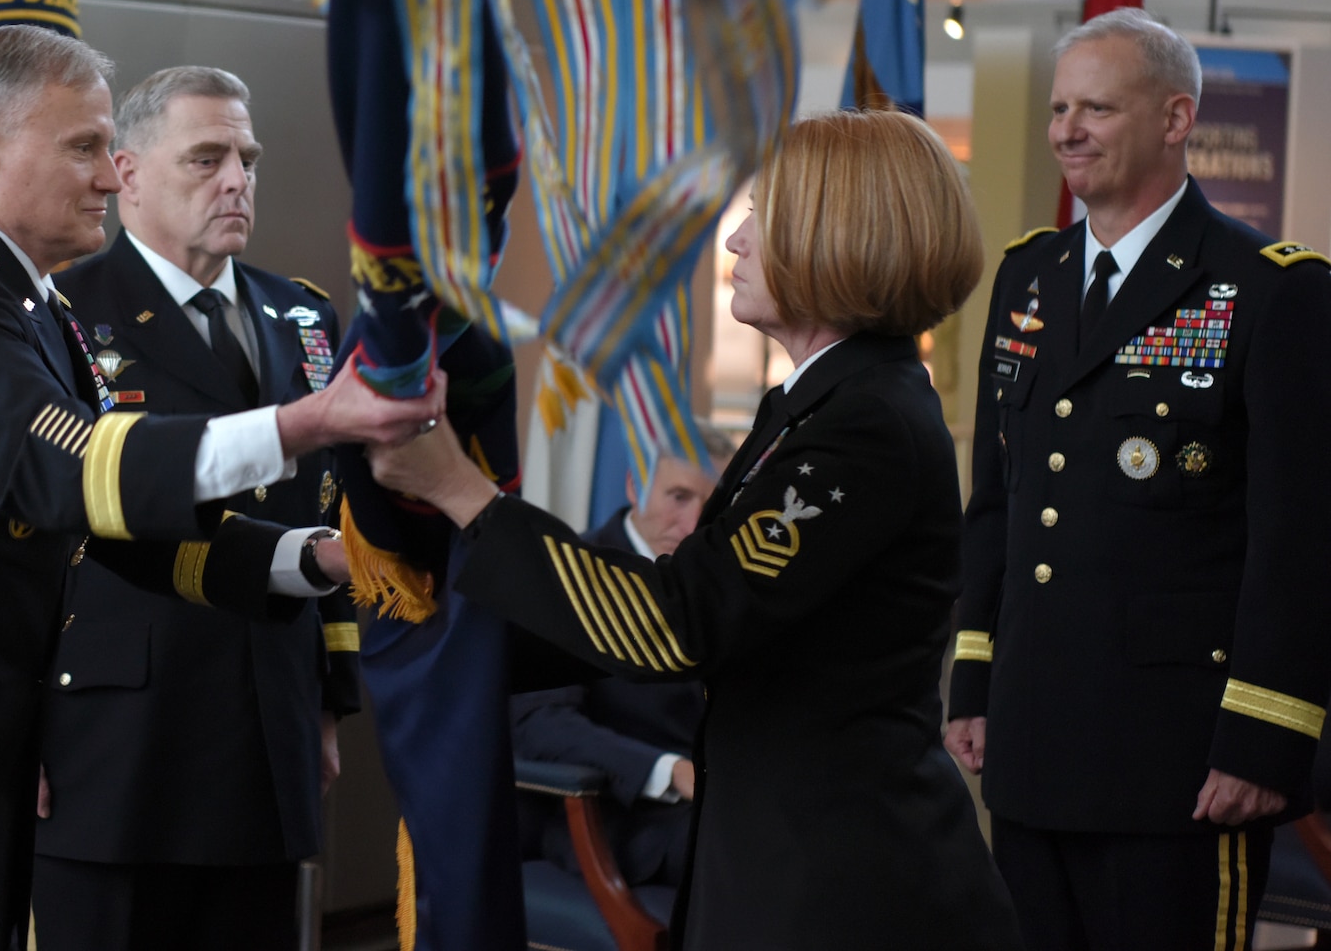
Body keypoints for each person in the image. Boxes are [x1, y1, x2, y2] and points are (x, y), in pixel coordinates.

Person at [0, 25, 441, 951]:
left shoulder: (26, 303)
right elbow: (80, 471)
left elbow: (112, 532)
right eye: (82, 148)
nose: (110, 177)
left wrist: (309, 560)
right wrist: (310, 422)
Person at [369, 110, 1024, 950]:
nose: (738, 241)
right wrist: (434, 631)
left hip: (842, 884)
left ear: (836, 235)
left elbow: (679, 622)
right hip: (780, 857)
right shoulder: (820, 406)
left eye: (764, 214)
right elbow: (664, 622)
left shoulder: (864, 425)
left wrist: (462, 492)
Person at [945, 7, 1331, 950]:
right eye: (1060, 107)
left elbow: (1301, 539)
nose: (1068, 131)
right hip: (1035, 744)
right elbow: (996, 498)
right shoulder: (1028, 277)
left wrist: (1264, 741)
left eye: (1098, 109)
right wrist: (974, 680)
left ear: (1176, 117)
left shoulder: (1271, 288)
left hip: (1181, 762)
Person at [31, 66, 360, 951]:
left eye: (247, 160)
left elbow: (327, 501)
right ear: (127, 173)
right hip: (115, 737)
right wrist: (13, 723)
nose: (237, 181)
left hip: (267, 715)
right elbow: (20, 537)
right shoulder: (61, 311)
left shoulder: (305, 316)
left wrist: (327, 697)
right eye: (207, 158)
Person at [512, 431, 732, 890]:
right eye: (678, 496)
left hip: (723, 802)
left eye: (711, 505)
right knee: (759, 853)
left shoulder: (726, 587)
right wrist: (668, 771)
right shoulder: (571, 580)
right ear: (634, 485)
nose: (693, 523)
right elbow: (540, 724)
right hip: (614, 817)